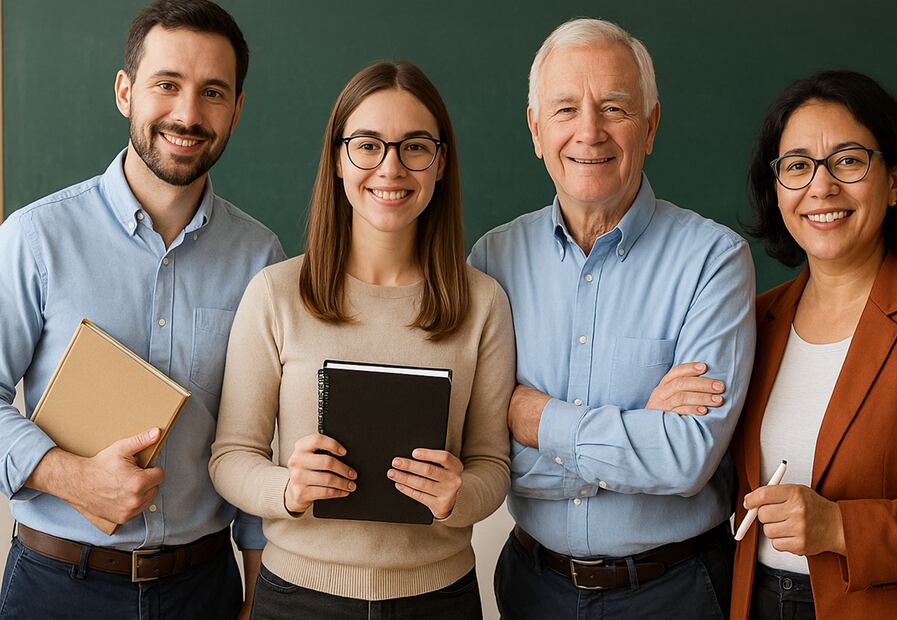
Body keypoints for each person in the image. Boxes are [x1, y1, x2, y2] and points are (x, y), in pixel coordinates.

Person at [0, 1, 284, 618]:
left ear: (236, 110)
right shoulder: (34, 239)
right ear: (126, 91)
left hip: (204, 589)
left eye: (213, 92)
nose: (187, 113)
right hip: (55, 586)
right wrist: (66, 475)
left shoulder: (261, 256)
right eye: (167, 84)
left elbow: (259, 439)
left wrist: (258, 594)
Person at [469, 18, 756, 618]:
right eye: (566, 108)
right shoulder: (491, 259)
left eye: (615, 108)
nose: (589, 131)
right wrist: (636, 428)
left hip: (675, 591)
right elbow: (486, 454)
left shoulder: (714, 259)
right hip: (531, 589)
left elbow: (686, 458)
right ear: (535, 128)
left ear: (650, 126)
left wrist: (533, 414)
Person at [209, 61, 514, 619]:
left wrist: (457, 496)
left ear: (441, 163)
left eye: (415, 146)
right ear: (337, 158)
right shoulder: (276, 293)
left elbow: (492, 465)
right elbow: (231, 457)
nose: (391, 168)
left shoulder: (483, 303)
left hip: (439, 601)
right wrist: (289, 488)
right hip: (298, 598)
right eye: (368, 145)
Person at [730, 70, 897, 619]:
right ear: (778, 188)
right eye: (798, 165)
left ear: (895, 180)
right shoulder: (756, 318)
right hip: (757, 603)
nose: (822, 187)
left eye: (849, 160)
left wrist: (838, 526)